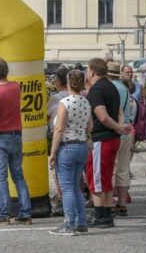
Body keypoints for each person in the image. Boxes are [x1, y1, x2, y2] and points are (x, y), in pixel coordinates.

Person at [0, 58, 32, 225]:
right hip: (16, 135)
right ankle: (25, 213)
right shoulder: (16, 87)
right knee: (18, 175)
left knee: (1, 178)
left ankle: (4, 214)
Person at [84, 58, 131, 228]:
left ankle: (100, 217)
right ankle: (107, 215)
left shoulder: (96, 90)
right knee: (106, 179)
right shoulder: (112, 86)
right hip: (113, 138)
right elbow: (118, 111)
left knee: (96, 178)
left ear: (92, 72)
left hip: (100, 139)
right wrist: (119, 128)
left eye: (87, 70)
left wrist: (117, 126)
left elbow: (102, 116)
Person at [48, 70, 93, 235]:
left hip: (67, 146)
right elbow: (90, 127)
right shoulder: (86, 102)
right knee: (76, 187)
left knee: (67, 187)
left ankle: (69, 224)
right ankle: (81, 223)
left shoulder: (64, 102)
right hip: (81, 146)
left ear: (68, 83)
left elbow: (59, 129)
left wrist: (53, 152)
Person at [107, 62, 131, 217]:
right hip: (127, 132)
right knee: (123, 169)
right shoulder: (125, 88)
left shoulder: (110, 88)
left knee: (111, 170)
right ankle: (122, 204)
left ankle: (108, 204)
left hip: (115, 131)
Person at [47, 67, 70, 210]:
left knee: (57, 168)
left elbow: (47, 114)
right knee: (77, 172)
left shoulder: (56, 98)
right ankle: (78, 193)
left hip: (59, 135)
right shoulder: (80, 97)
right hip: (76, 137)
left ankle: (61, 195)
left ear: (58, 81)